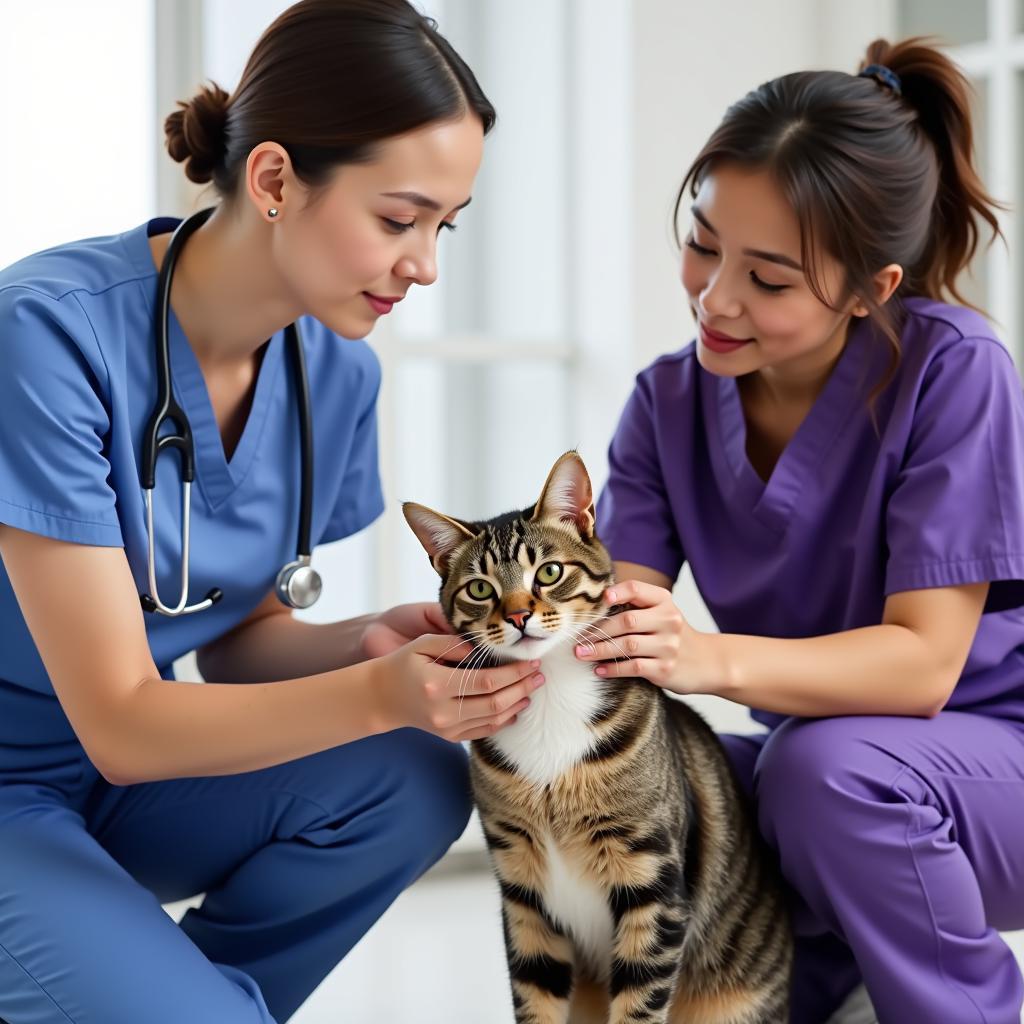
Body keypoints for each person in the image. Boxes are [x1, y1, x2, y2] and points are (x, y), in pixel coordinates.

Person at [0, 2, 546, 1022]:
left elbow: (236, 636)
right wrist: (380, 692)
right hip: (34, 779)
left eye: (444, 227)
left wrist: (366, 646)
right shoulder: (44, 337)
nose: (424, 264)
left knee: (413, 774)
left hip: (119, 785)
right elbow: (121, 717)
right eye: (398, 218)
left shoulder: (333, 372)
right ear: (274, 180)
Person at [582, 36, 1024, 1024]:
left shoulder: (956, 370)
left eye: (770, 280)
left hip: (995, 760)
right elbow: (618, 631)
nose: (714, 296)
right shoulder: (666, 405)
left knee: (820, 775)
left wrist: (702, 657)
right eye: (702, 242)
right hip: (832, 774)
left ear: (872, 289)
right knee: (674, 792)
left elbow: (921, 668)